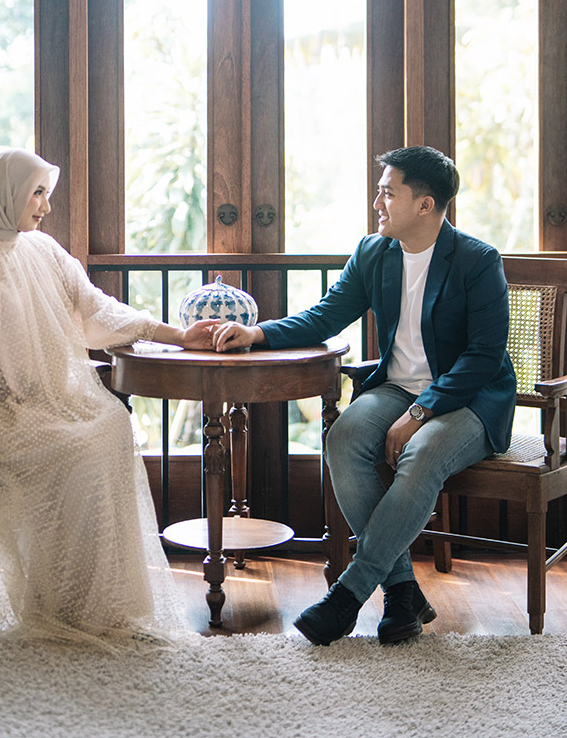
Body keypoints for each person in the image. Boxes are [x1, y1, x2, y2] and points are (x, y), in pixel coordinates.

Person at [211, 145, 516, 647]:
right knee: (344, 438)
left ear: (425, 204)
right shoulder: (374, 253)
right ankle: (402, 593)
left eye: (388, 193)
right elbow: (326, 316)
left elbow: (484, 357)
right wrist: (258, 333)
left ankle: (347, 597)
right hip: (396, 387)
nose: (377, 203)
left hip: (469, 399)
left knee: (421, 454)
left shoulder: (477, 261)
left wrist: (421, 411)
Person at [0, 147, 216, 643]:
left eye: (46, 193)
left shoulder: (44, 249)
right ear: (3, 195)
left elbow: (96, 310)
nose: (46, 206)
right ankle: (58, 602)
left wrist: (177, 335)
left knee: (112, 424)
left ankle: (104, 601)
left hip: (55, 401)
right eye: (37, 193)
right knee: (76, 450)